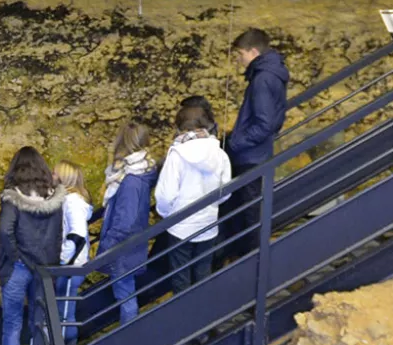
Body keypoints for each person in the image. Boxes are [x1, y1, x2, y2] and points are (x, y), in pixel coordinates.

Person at [0, 146, 64, 345]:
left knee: (11, 325)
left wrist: (15, 256)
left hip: (19, 268)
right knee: (40, 325)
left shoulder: (13, 197)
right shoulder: (55, 198)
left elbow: (4, 231)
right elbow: (58, 235)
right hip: (44, 269)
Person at [222, 28, 290, 261]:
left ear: (253, 51)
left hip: (250, 156)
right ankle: (244, 260)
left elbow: (264, 123)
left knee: (247, 213)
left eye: (240, 54)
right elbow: (274, 119)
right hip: (255, 153)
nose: (239, 60)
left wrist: (235, 142)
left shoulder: (262, 79)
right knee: (246, 212)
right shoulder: (272, 74)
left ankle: (249, 264)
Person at [153, 102, 232, 290]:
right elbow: (225, 191)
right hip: (208, 224)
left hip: (180, 226)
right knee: (203, 272)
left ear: (181, 128)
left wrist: (166, 215)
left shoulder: (176, 155)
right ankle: (203, 315)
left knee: (180, 276)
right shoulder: (219, 154)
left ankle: (184, 317)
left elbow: (166, 194)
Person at [98, 124, 158, 328]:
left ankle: (128, 341)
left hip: (123, 247)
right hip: (130, 245)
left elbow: (125, 221)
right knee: (125, 293)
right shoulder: (141, 172)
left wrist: (107, 245)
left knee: (125, 295)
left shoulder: (131, 181)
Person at [53, 161, 93, 342]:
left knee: (65, 314)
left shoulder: (72, 202)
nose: (51, 177)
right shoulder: (71, 200)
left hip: (71, 267)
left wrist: (62, 259)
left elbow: (77, 233)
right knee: (63, 311)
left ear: (64, 178)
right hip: (72, 264)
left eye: (55, 174)